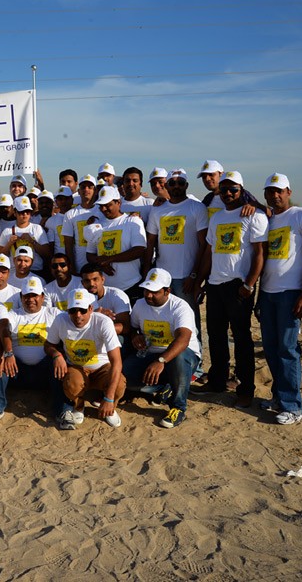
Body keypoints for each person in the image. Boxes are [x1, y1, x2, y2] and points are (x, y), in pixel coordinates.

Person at [194, 171, 268, 408]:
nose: (228, 193)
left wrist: (249, 284)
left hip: (238, 286)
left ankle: (246, 389)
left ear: (241, 190)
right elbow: (209, 253)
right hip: (215, 284)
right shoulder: (216, 218)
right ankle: (218, 380)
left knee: (242, 339)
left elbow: (259, 254)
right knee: (216, 337)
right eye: (224, 189)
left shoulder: (253, 215)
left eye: (233, 189)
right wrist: (200, 281)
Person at [258, 174, 302, 425]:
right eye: (270, 192)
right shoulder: (268, 220)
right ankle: (278, 397)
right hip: (268, 292)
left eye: (279, 191)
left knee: (287, 349)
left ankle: (293, 407)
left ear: (289, 192)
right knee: (271, 349)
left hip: (290, 292)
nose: (275, 196)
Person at [144, 168, 209, 377]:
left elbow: (203, 245)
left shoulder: (196, 208)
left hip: (186, 278)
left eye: (181, 183)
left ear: (187, 185)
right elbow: (150, 244)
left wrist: (195, 276)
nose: (176, 186)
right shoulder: (158, 211)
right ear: (166, 186)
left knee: (190, 324)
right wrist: (147, 271)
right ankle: (170, 364)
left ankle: (195, 368)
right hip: (162, 278)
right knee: (165, 322)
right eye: (172, 183)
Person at [123, 269, 201, 429]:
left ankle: (178, 408)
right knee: (123, 376)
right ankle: (167, 386)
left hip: (182, 356)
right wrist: (134, 336)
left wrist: (161, 361)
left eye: (154, 292)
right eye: (146, 290)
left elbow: (183, 339)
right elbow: (133, 328)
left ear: (167, 291)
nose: (149, 295)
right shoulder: (140, 304)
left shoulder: (180, 307)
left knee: (178, 358)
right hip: (150, 353)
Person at [0, 277, 61, 427]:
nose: (31, 299)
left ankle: (63, 411)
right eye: (27, 296)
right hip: (17, 370)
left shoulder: (54, 313)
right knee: (1, 362)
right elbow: (2, 332)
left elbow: (74, 325)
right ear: (21, 297)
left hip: (45, 370)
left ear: (42, 296)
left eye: (34, 295)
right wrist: (3, 354)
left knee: (60, 362)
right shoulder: (13, 314)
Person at [44, 288, 126, 430]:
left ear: (90, 308)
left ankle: (110, 406)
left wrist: (109, 398)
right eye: (73, 310)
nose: (78, 315)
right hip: (76, 366)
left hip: (102, 367)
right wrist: (56, 355)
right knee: (72, 383)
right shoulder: (60, 320)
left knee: (119, 383)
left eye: (82, 310)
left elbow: (116, 361)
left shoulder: (103, 322)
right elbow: (49, 344)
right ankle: (79, 405)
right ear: (67, 310)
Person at [86, 185, 147, 298]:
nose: (104, 209)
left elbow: (139, 250)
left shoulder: (132, 221)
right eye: (101, 206)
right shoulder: (97, 225)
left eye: (108, 205)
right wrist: (101, 264)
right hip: (105, 290)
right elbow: (89, 254)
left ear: (118, 203)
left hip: (131, 285)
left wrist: (109, 259)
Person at [0, 196, 50, 275]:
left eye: (28, 212)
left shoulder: (37, 228)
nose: (25, 214)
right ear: (15, 213)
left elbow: (47, 253)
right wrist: (9, 244)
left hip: (35, 270)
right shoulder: (7, 231)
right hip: (14, 272)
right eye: (21, 212)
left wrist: (32, 241)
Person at [63, 174, 99, 273]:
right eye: (83, 187)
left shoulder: (102, 211)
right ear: (79, 191)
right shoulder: (70, 214)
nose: (86, 189)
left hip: (100, 264)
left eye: (90, 187)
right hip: (80, 265)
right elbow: (68, 244)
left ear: (95, 190)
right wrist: (72, 267)